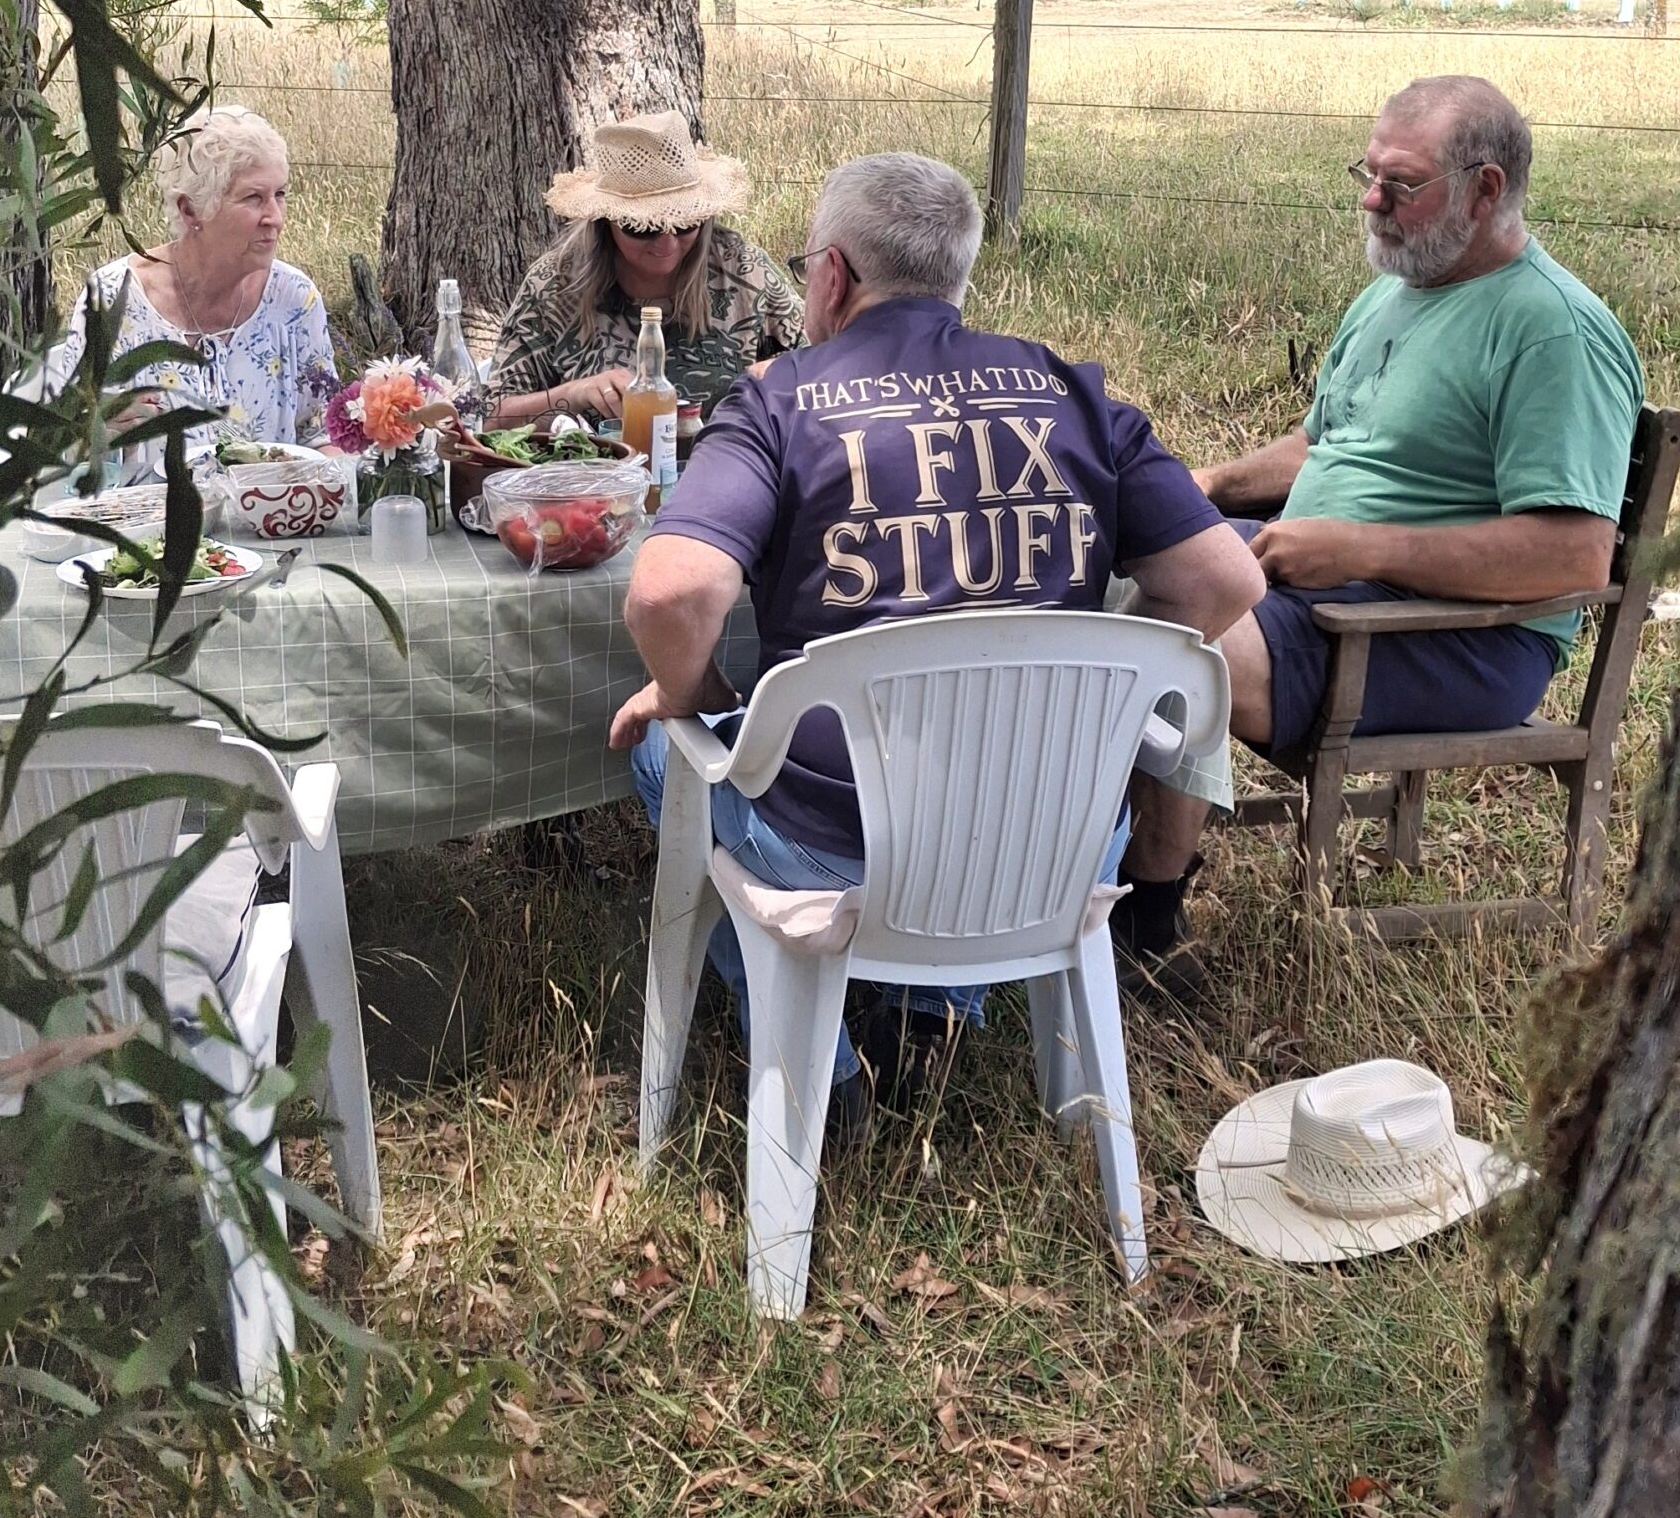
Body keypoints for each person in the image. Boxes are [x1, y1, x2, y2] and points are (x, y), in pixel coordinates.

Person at [611, 152, 1263, 1126]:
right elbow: (1225, 581)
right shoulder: (1075, 393)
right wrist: (1105, 689)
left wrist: (692, 694)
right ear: (958, 275)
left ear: (829, 275)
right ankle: (930, 1013)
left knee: (669, 755)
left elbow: (668, 594)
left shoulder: (781, 399)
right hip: (1060, 839)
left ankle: (823, 1074)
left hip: (833, 846)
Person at [1124, 74, 1646, 966]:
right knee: (1103, 570)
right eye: (1367, 175)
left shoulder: (1553, 333)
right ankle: (1067, 870)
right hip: (1323, 592)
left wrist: (1357, 548)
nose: (1373, 201)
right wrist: (1197, 486)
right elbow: (1323, 448)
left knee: (1170, 642)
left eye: (1402, 185)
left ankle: (1145, 923)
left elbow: (1576, 552)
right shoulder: (1398, 289)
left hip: (1452, 637)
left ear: (1487, 189)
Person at [39, 105, 336, 458]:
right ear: (190, 210)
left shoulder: (294, 300)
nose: (275, 217)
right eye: (253, 198)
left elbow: (324, 436)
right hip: (143, 511)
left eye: (280, 195)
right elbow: (64, 449)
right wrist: (97, 433)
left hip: (271, 512)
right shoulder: (111, 300)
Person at [490, 110, 803, 426]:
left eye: (685, 223)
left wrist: (783, 372)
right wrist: (575, 393)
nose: (666, 245)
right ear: (606, 221)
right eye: (642, 228)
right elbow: (489, 417)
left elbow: (832, 362)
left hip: (730, 465)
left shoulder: (744, 269)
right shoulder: (554, 284)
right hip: (599, 471)